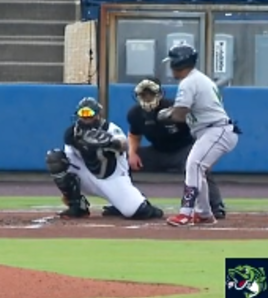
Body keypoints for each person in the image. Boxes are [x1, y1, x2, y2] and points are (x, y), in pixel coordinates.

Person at [158, 44, 241, 227]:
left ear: (180, 63)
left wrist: (167, 114)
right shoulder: (197, 79)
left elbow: (180, 115)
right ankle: (203, 214)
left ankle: (186, 213)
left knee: (194, 164)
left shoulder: (189, 82)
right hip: (212, 130)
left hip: (217, 130)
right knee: (197, 168)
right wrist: (172, 111)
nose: (171, 66)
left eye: (173, 62)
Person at [46, 97, 164, 220]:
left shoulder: (110, 129)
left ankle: (135, 202)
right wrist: (67, 191)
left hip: (113, 177)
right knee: (55, 159)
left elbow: (124, 145)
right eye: (82, 114)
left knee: (137, 212)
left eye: (89, 114)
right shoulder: (72, 134)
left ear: (97, 115)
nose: (86, 118)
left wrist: (109, 142)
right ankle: (77, 205)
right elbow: (70, 160)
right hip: (88, 174)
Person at [126, 77, 226, 219]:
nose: (147, 98)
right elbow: (134, 135)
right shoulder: (135, 114)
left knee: (197, 165)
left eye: (150, 94)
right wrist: (132, 153)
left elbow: (201, 129)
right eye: (143, 94)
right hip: (157, 152)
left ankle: (215, 205)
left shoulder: (177, 110)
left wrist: (205, 154)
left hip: (183, 150)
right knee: (121, 160)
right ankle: (127, 203)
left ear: (159, 94)